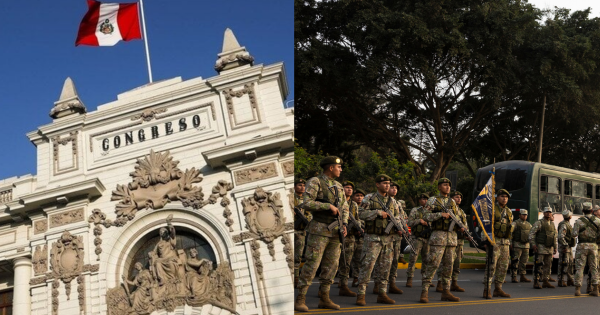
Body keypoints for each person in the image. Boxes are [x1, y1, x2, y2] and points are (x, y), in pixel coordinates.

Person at [294, 156, 349, 312]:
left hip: (335, 231)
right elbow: (306, 203)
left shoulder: (338, 185)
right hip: (319, 230)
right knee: (312, 264)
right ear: (330, 168)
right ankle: (300, 299)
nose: (341, 169)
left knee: (331, 266)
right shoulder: (315, 182)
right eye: (338, 167)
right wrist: (327, 206)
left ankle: (325, 298)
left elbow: (344, 207)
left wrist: (344, 223)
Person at [355, 175, 402, 306]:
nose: (387, 185)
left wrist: (398, 228)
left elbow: (397, 217)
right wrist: (377, 213)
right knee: (367, 266)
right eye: (385, 183)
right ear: (377, 184)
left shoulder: (393, 202)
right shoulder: (369, 198)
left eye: (389, 183)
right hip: (372, 238)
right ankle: (361, 294)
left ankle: (382, 294)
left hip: (388, 239)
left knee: (385, 268)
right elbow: (360, 213)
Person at [419, 178, 462, 303]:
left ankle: (446, 292)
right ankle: (424, 292)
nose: (447, 187)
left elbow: (457, 216)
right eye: (444, 185)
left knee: (448, 266)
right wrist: (439, 215)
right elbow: (425, 216)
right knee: (433, 264)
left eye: (449, 185)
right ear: (439, 187)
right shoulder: (433, 200)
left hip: (451, 238)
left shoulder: (452, 202)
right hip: (438, 237)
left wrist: (460, 226)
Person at [373, 182, 405, 295]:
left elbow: (400, 217)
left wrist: (402, 228)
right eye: (392, 187)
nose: (394, 189)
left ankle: (392, 283)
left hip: (396, 235)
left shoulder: (396, 203)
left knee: (394, 260)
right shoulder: (377, 199)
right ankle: (377, 284)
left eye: (396, 188)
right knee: (380, 261)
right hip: (384, 235)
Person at [482, 189, 513, 299]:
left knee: (503, 267)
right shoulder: (492, 209)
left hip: (505, 243)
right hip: (494, 242)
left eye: (506, 197)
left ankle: (498, 289)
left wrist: (510, 241)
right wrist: (485, 240)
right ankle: (487, 289)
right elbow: (485, 225)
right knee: (491, 266)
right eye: (502, 196)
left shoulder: (509, 211)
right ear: (497, 197)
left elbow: (510, 227)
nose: (504, 198)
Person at [572, 202, 600, 296]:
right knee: (594, 268)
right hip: (593, 246)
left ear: (583, 211)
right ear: (592, 210)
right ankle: (596, 289)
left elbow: (574, 234)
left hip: (582, 247)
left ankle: (577, 290)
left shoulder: (579, 221)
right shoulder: (598, 221)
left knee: (579, 268)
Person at [337, 180, 360, 297]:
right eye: (346, 187)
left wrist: (357, 226)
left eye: (351, 188)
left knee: (346, 262)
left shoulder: (354, 205)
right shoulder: (337, 201)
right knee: (332, 262)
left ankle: (344, 284)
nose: (349, 189)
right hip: (336, 235)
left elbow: (358, 219)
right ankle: (324, 286)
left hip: (350, 236)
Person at [406, 193, 431, 288]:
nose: (424, 200)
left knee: (427, 260)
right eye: (422, 199)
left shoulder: (432, 211)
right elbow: (409, 222)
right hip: (417, 238)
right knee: (413, 258)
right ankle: (409, 278)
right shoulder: (415, 210)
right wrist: (419, 221)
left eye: (425, 199)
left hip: (428, 238)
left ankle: (426, 279)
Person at [529, 207, 558, 289]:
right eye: (546, 212)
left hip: (549, 248)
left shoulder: (552, 224)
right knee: (538, 265)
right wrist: (533, 244)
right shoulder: (539, 223)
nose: (548, 213)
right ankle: (536, 281)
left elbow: (554, 236)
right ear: (543, 213)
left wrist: (555, 247)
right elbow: (531, 234)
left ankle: (546, 281)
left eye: (550, 212)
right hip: (540, 248)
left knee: (548, 266)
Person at [448, 191, 469, 292]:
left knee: (457, 264)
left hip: (460, 241)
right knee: (447, 263)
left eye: (460, 197)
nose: (459, 199)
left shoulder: (461, 212)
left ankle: (454, 283)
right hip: (450, 240)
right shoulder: (448, 210)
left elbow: (465, 225)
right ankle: (440, 283)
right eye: (456, 197)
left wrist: (467, 234)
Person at [293, 178, 311, 288]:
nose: (302, 187)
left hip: (301, 231)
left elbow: (309, 213)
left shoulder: (306, 200)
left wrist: (306, 219)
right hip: (292, 229)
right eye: (299, 185)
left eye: (304, 185)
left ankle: (296, 278)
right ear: (295, 187)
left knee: (298, 256)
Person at [510, 209, 532, 283]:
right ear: (519, 215)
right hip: (517, 245)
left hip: (526, 246)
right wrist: (510, 243)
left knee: (524, 262)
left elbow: (532, 234)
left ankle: (522, 276)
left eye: (526, 215)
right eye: (523, 215)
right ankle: (514, 276)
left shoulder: (529, 225)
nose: (525, 216)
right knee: (515, 261)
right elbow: (510, 233)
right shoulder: (515, 223)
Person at [350, 189, 366, 287]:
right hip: (350, 235)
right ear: (353, 197)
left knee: (359, 258)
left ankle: (356, 278)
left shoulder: (366, 208)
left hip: (361, 236)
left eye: (361, 195)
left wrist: (363, 229)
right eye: (357, 195)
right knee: (346, 259)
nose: (359, 197)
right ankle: (343, 280)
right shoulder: (349, 206)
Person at [558, 209, 575, 287]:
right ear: (569, 216)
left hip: (568, 247)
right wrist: (565, 245)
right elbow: (561, 236)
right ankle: (561, 280)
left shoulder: (567, 224)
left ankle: (570, 280)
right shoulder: (563, 224)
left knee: (570, 263)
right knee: (563, 264)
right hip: (565, 247)